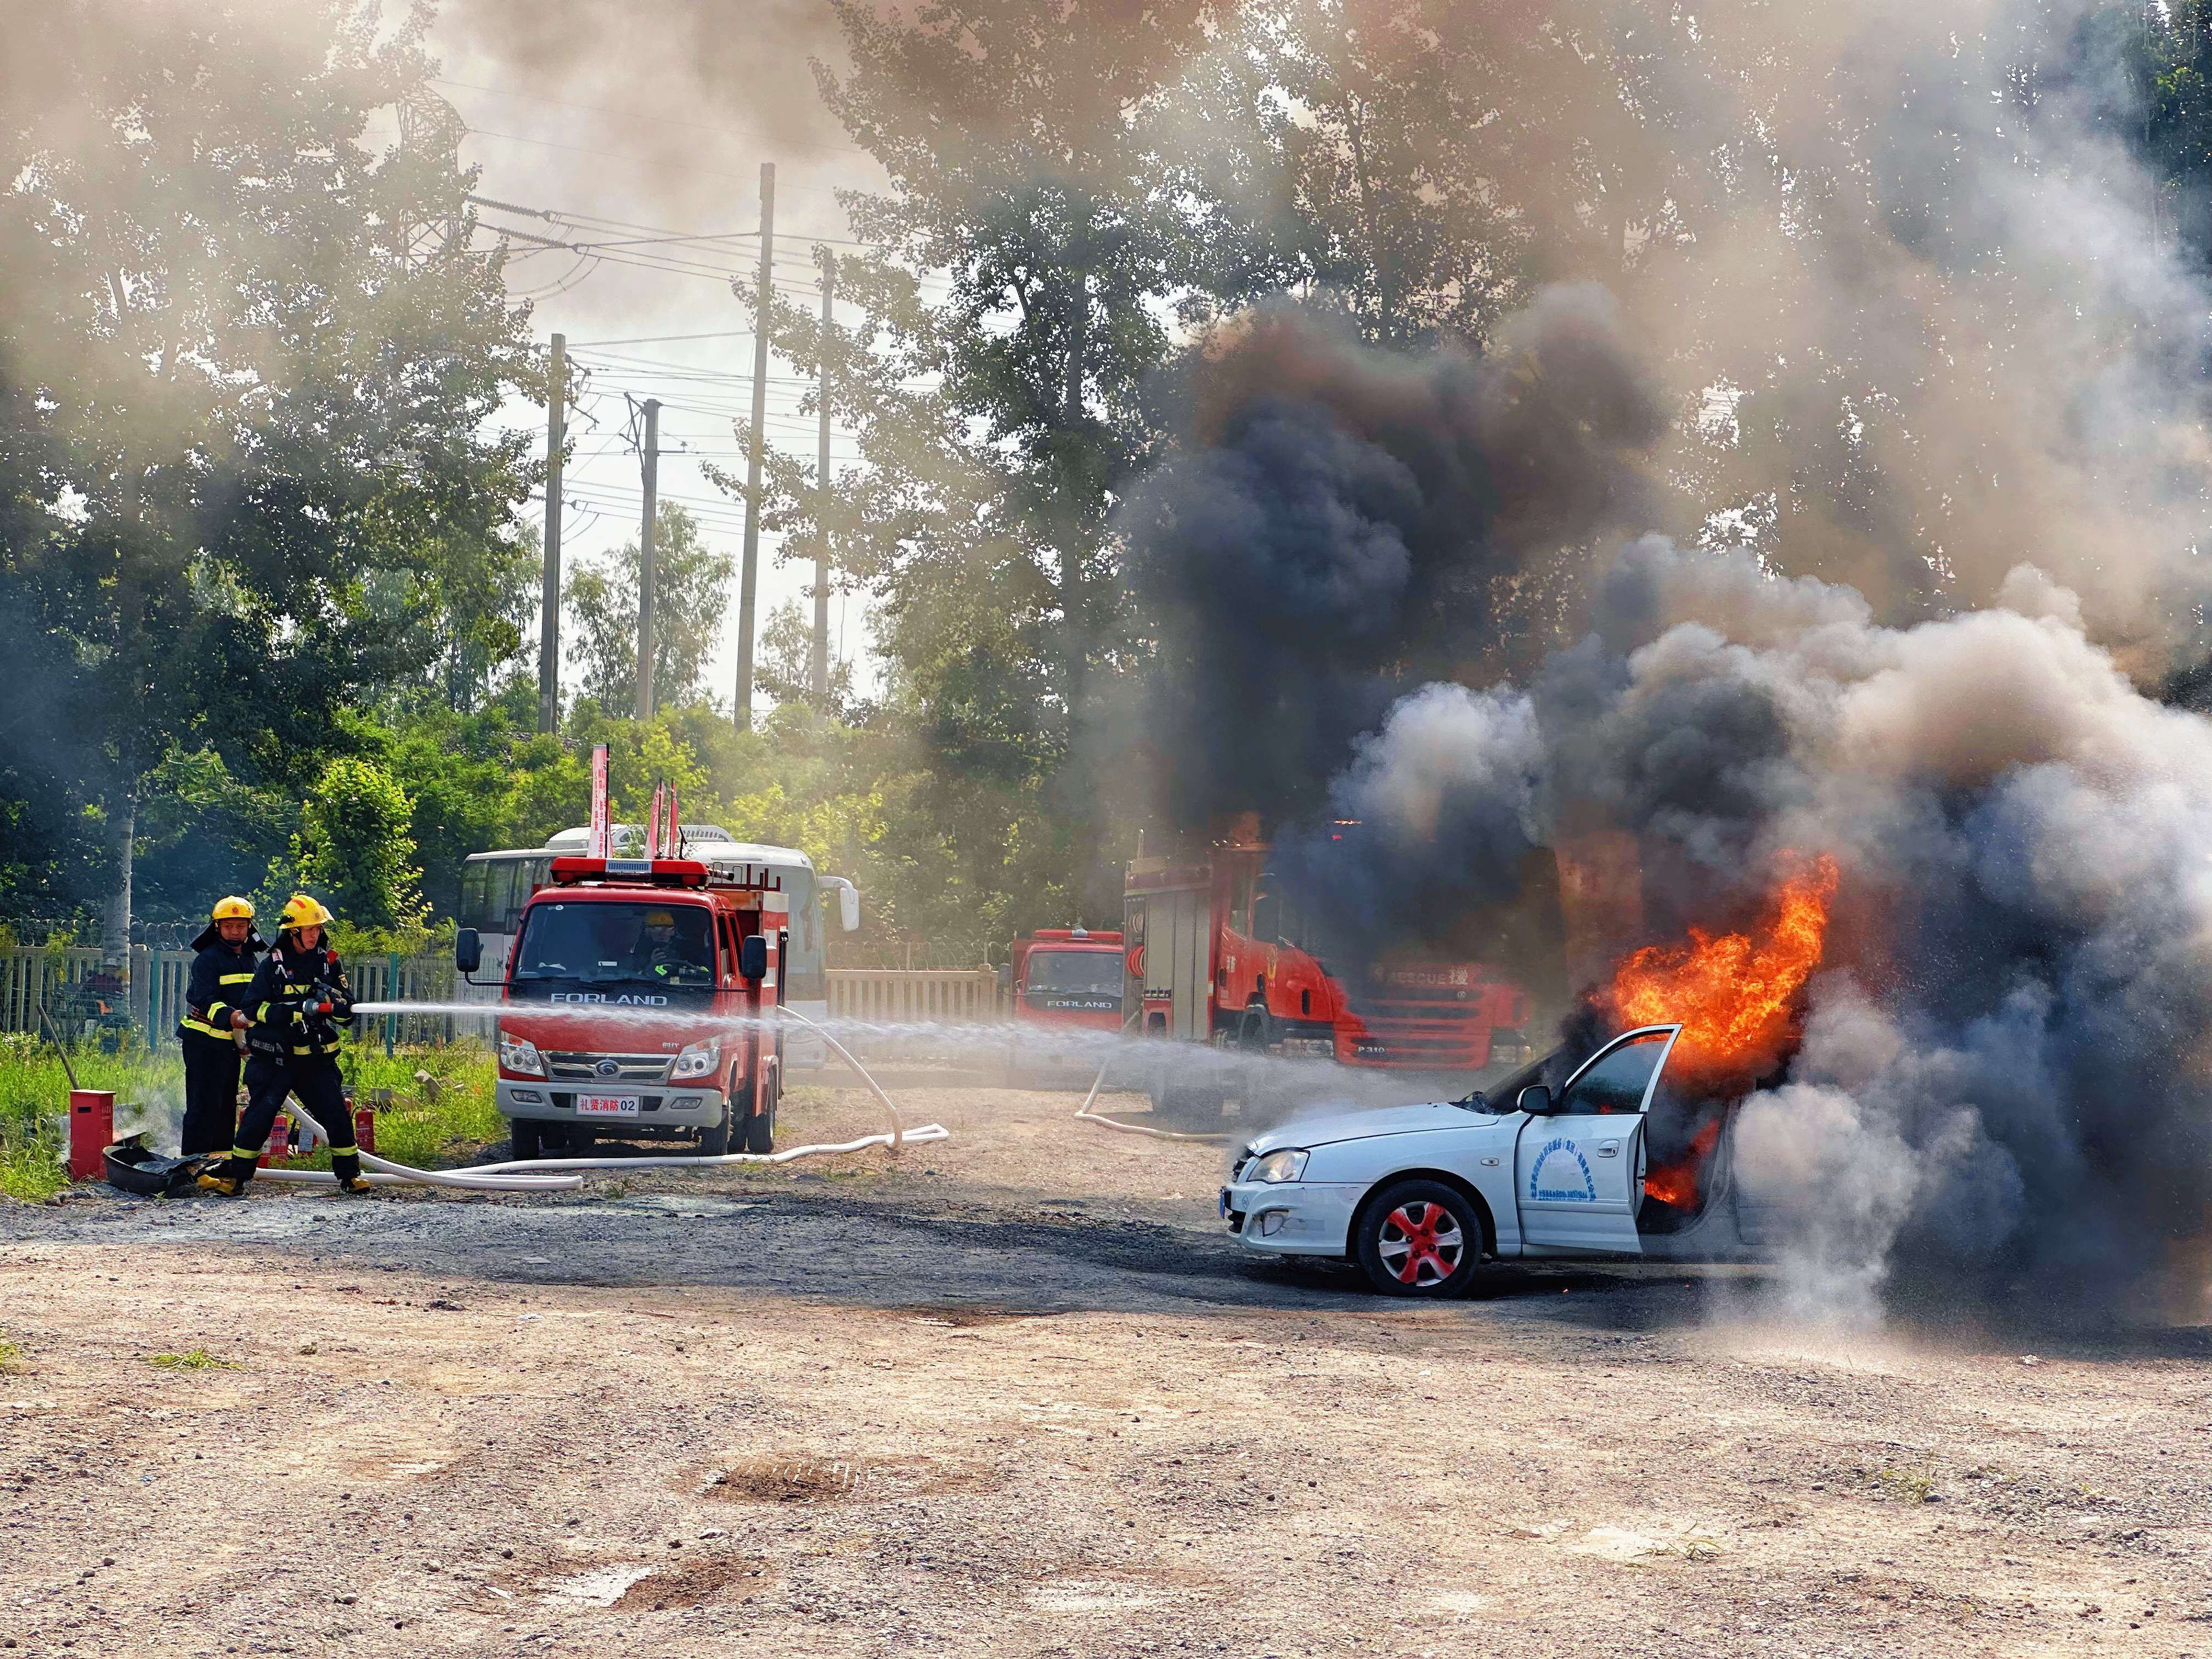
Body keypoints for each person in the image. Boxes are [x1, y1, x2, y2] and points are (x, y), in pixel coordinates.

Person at [197, 894, 368, 1197]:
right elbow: (251, 1010)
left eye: (318, 928)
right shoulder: (272, 966)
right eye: (309, 929)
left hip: (315, 1059)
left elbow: (347, 1011)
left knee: (336, 1114)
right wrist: (296, 1010)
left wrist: (339, 1006)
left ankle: (350, 1176)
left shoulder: (329, 964)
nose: (314, 935)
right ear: (293, 932)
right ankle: (236, 1178)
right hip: (276, 1060)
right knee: (260, 1116)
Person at [176, 896, 263, 1158]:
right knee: (203, 1105)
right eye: (229, 927)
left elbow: (255, 1000)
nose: (235, 932)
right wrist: (230, 1016)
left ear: (249, 928)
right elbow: (204, 998)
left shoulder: (251, 960)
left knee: (226, 1105)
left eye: (241, 926)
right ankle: (193, 1165)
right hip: (203, 1042)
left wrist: (246, 1038)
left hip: (230, 1043)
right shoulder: (208, 959)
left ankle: (221, 1163)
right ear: (217, 928)